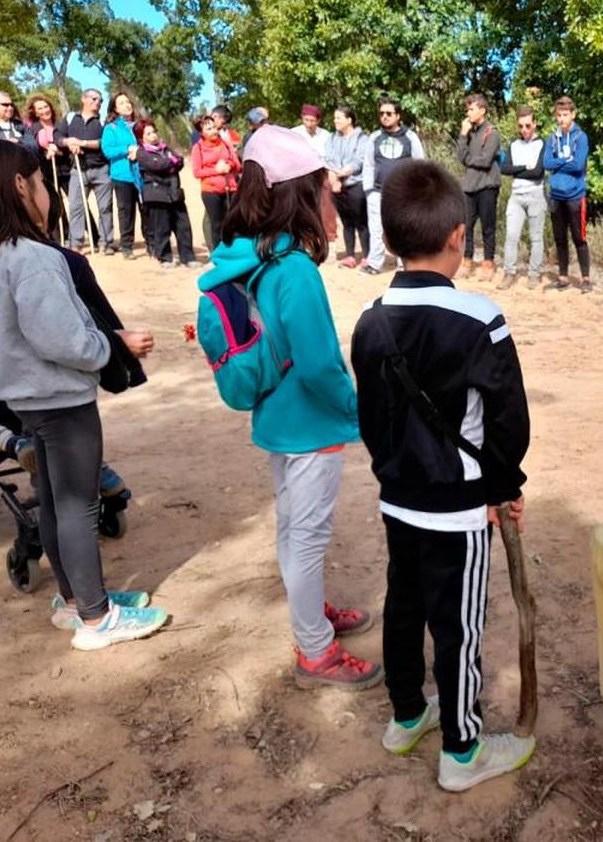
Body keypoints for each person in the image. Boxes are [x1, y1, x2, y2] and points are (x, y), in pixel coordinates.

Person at [350, 159, 533, 791]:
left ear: (392, 240)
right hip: (460, 509)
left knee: (403, 605)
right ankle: (463, 750)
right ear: (459, 234)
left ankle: (407, 715)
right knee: (459, 625)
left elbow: (370, 415)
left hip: (398, 500)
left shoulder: (371, 319)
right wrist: (503, 491)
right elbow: (509, 425)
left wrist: (392, 474)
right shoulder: (481, 319)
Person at [199, 124, 379, 690]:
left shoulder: (255, 256)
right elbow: (321, 363)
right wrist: (358, 412)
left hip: (278, 420)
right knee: (307, 536)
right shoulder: (294, 269)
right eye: (325, 187)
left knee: (293, 527)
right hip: (310, 426)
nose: (333, 197)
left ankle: (311, 613)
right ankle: (314, 649)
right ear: (303, 193)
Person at [0, 137, 166, 649]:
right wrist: (115, 345)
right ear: (20, 186)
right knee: (78, 507)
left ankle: (74, 598)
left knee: (58, 504)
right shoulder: (33, 258)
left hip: (29, 403)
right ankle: (95, 618)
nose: (46, 191)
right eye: (41, 182)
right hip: (61, 403)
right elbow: (62, 339)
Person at [361, 97, 425, 275]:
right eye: (381, 113)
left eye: (389, 113)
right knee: (377, 229)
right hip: (377, 191)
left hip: (403, 193)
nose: (385, 117)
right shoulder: (374, 138)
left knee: (403, 228)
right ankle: (374, 264)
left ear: (398, 116)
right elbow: (368, 164)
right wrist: (369, 190)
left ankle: (404, 263)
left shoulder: (410, 137)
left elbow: (420, 164)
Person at [542, 96, 591, 293]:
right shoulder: (552, 138)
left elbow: (579, 165)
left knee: (579, 238)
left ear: (573, 115)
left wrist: (559, 162)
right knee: (560, 238)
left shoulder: (581, 137)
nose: (562, 118)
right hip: (556, 195)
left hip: (575, 195)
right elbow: (546, 163)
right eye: (559, 115)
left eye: (565, 115)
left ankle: (586, 278)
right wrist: (565, 159)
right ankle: (563, 277)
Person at [136, 119, 197, 268]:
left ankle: (188, 257)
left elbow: (180, 161)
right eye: (148, 133)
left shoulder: (166, 148)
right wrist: (170, 162)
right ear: (141, 137)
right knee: (161, 228)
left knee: (183, 226)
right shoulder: (141, 152)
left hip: (174, 192)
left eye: (154, 132)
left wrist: (170, 162)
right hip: (156, 195)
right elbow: (155, 165)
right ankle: (165, 257)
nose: (153, 136)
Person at [454, 93, 502, 281]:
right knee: (466, 226)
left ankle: (488, 263)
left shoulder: (492, 132)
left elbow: (485, 160)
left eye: (471, 109)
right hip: (470, 186)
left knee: (488, 226)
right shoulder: (470, 132)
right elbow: (460, 156)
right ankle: (466, 261)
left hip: (488, 185)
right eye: (467, 109)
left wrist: (467, 160)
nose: (468, 113)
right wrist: (463, 134)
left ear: (482, 110)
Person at [61, 89, 115, 254]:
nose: (98, 102)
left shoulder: (104, 121)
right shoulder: (70, 118)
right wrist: (68, 142)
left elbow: (103, 142)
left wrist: (82, 143)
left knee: (105, 208)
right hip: (78, 170)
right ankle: (76, 243)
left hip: (101, 170)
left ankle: (106, 242)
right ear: (83, 99)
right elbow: (58, 136)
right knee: (76, 207)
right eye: (94, 99)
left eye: (100, 100)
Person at [498, 106, 546, 289]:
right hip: (516, 196)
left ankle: (534, 274)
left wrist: (517, 170)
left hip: (536, 195)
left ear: (534, 124)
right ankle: (509, 273)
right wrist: (524, 166)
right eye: (521, 126)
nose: (524, 130)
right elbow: (504, 169)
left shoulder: (542, 143)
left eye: (527, 125)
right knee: (511, 236)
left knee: (536, 237)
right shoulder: (513, 145)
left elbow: (537, 172)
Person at [324, 105, 370, 267]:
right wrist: (334, 180)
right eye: (335, 118)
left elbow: (359, 162)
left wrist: (341, 175)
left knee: (361, 222)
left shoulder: (363, 138)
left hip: (356, 184)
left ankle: (366, 256)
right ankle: (350, 256)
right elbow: (328, 160)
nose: (335, 121)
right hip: (336, 184)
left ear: (349, 120)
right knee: (346, 222)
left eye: (339, 118)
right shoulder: (331, 138)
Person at [23, 94, 72, 244]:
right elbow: (39, 145)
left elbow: (65, 142)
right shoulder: (35, 128)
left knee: (77, 204)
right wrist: (50, 149)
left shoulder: (60, 124)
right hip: (48, 171)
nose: (44, 110)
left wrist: (59, 147)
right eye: (40, 108)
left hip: (66, 168)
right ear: (35, 112)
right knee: (57, 205)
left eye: (46, 106)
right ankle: (62, 238)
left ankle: (93, 235)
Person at [191, 114, 241, 253]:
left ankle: (236, 252)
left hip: (231, 188)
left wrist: (228, 165)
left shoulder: (226, 143)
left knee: (234, 222)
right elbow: (197, 172)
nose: (213, 131)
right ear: (201, 133)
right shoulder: (198, 148)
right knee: (217, 224)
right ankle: (218, 254)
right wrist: (216, 170)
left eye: (214, 127)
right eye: (208, 129)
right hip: (211, 192)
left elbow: (237, 164)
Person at [101, 91, 142, 259]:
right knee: (126, 211)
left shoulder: (140, 126)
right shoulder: (111, 128)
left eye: (128, 101)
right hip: (122, 175)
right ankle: (127, 246)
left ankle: (153, 243)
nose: (127, 105)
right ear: (115, 109)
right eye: (122, 103)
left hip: (141, 174)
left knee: (146, 209)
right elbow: (107, 150)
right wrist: (127, 150)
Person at [292, 104, 338, 244]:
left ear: (318, 121)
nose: (309, 124)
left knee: (326, 200)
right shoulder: (294, 133)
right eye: (306, 120)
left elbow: (330, 156)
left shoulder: (326, 135)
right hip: (301, 172)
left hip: (321, 171)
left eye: (312, 121)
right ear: (302, 118)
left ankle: (329, 233)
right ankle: (303, 232)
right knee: (302, 202)